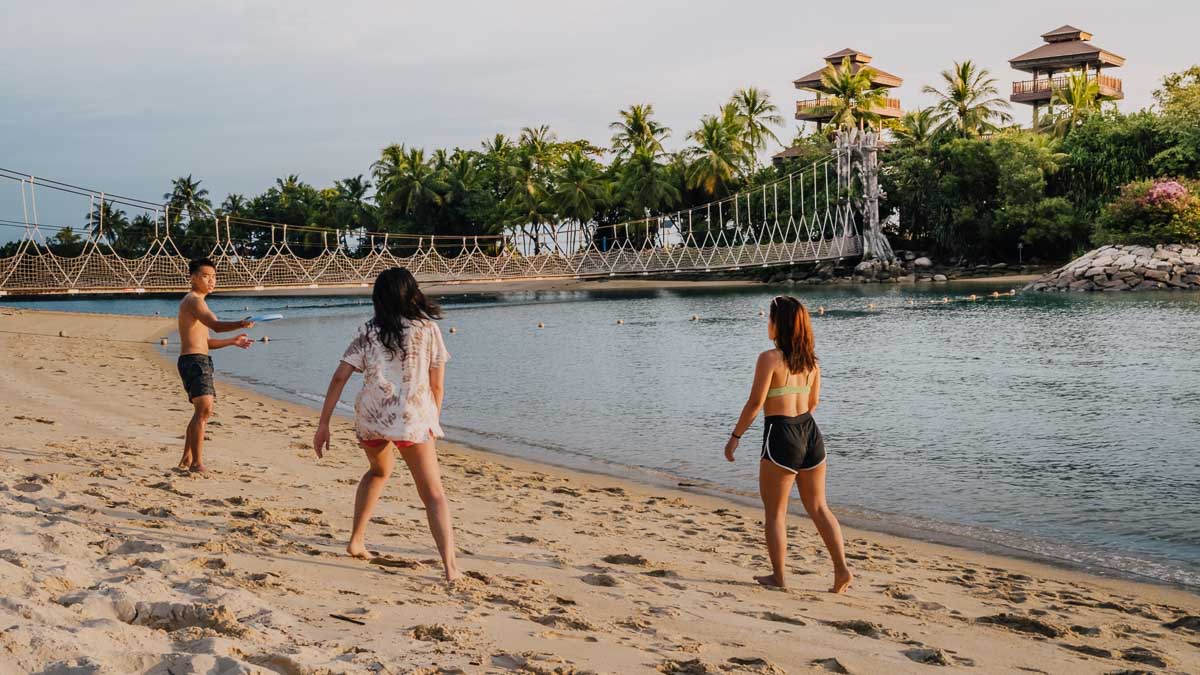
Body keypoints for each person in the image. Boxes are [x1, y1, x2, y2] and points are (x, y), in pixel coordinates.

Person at [312, 267, 461, 582]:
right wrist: (432, 421)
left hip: (372, 418)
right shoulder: (428, 330)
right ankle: (450, 568)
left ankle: (356, 540)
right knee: (433, 494)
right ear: (413, 293)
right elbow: (437, 386)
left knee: (379, 471)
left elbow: (340, 376)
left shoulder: (368, 330)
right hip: (410, 419)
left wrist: (323, 423)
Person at [724, 295, 852, 593]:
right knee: (820, 507)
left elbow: (756, 403)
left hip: (781, 435)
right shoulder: (812, 362)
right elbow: (813, 402)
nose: (766, 324)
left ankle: (779, 577)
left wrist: (735, 436)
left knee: (775, 513)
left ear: (777, 324)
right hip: (810, 433)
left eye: (769, 319)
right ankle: (842, 569)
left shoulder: (769, 359)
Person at [176, 257, 254, 473]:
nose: (211, 281)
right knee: (205, 409)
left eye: (214, 277)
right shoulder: (194, 300)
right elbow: (216, 326)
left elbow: (206, 342)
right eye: (205, 276)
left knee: (201, 410)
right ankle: (197, 463)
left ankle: (186, 458)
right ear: (193, 278)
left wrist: (233, 341)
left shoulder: (197, 301)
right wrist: (240, 322)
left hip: (198, 359)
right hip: (193, 361)